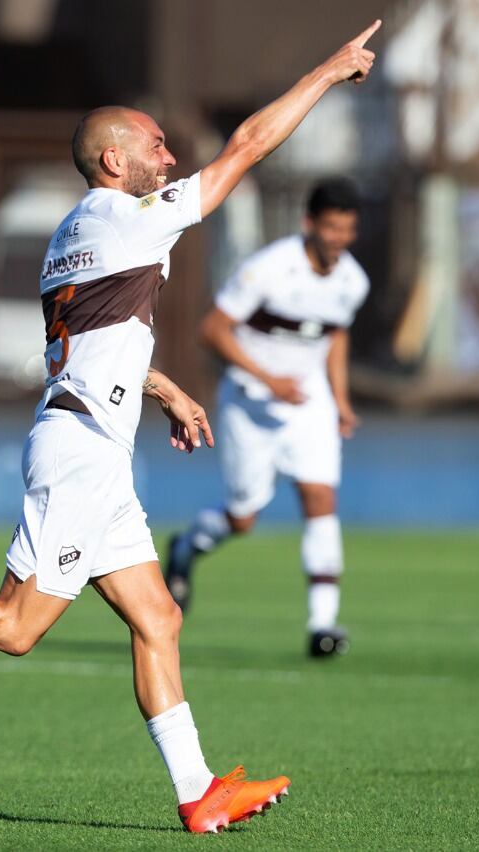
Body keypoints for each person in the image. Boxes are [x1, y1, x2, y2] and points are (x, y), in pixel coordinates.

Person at [0, 20, 382, 835]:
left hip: (89, 441)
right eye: (157, 146)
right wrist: (331, 69)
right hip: (82, 456)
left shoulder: (72, 235)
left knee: (158, 618)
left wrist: (161, 387)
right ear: (113, 162)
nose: (169, 158)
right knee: (14, 627)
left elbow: (86, 347)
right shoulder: (128, 221)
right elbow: (246, 146)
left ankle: (199, 792)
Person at [164, 178, 369, 659]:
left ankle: (323, 625)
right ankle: (186, 546)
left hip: (309, 403)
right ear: (309, 225)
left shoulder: (352, 281)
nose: (339, 238)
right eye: (331, 228)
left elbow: (336, 336)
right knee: (242, 517)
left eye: (347, 229)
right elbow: (212, 330)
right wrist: (268, 378)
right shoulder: (269, 269)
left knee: (320, 496)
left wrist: (339, 399)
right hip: (250, 404)